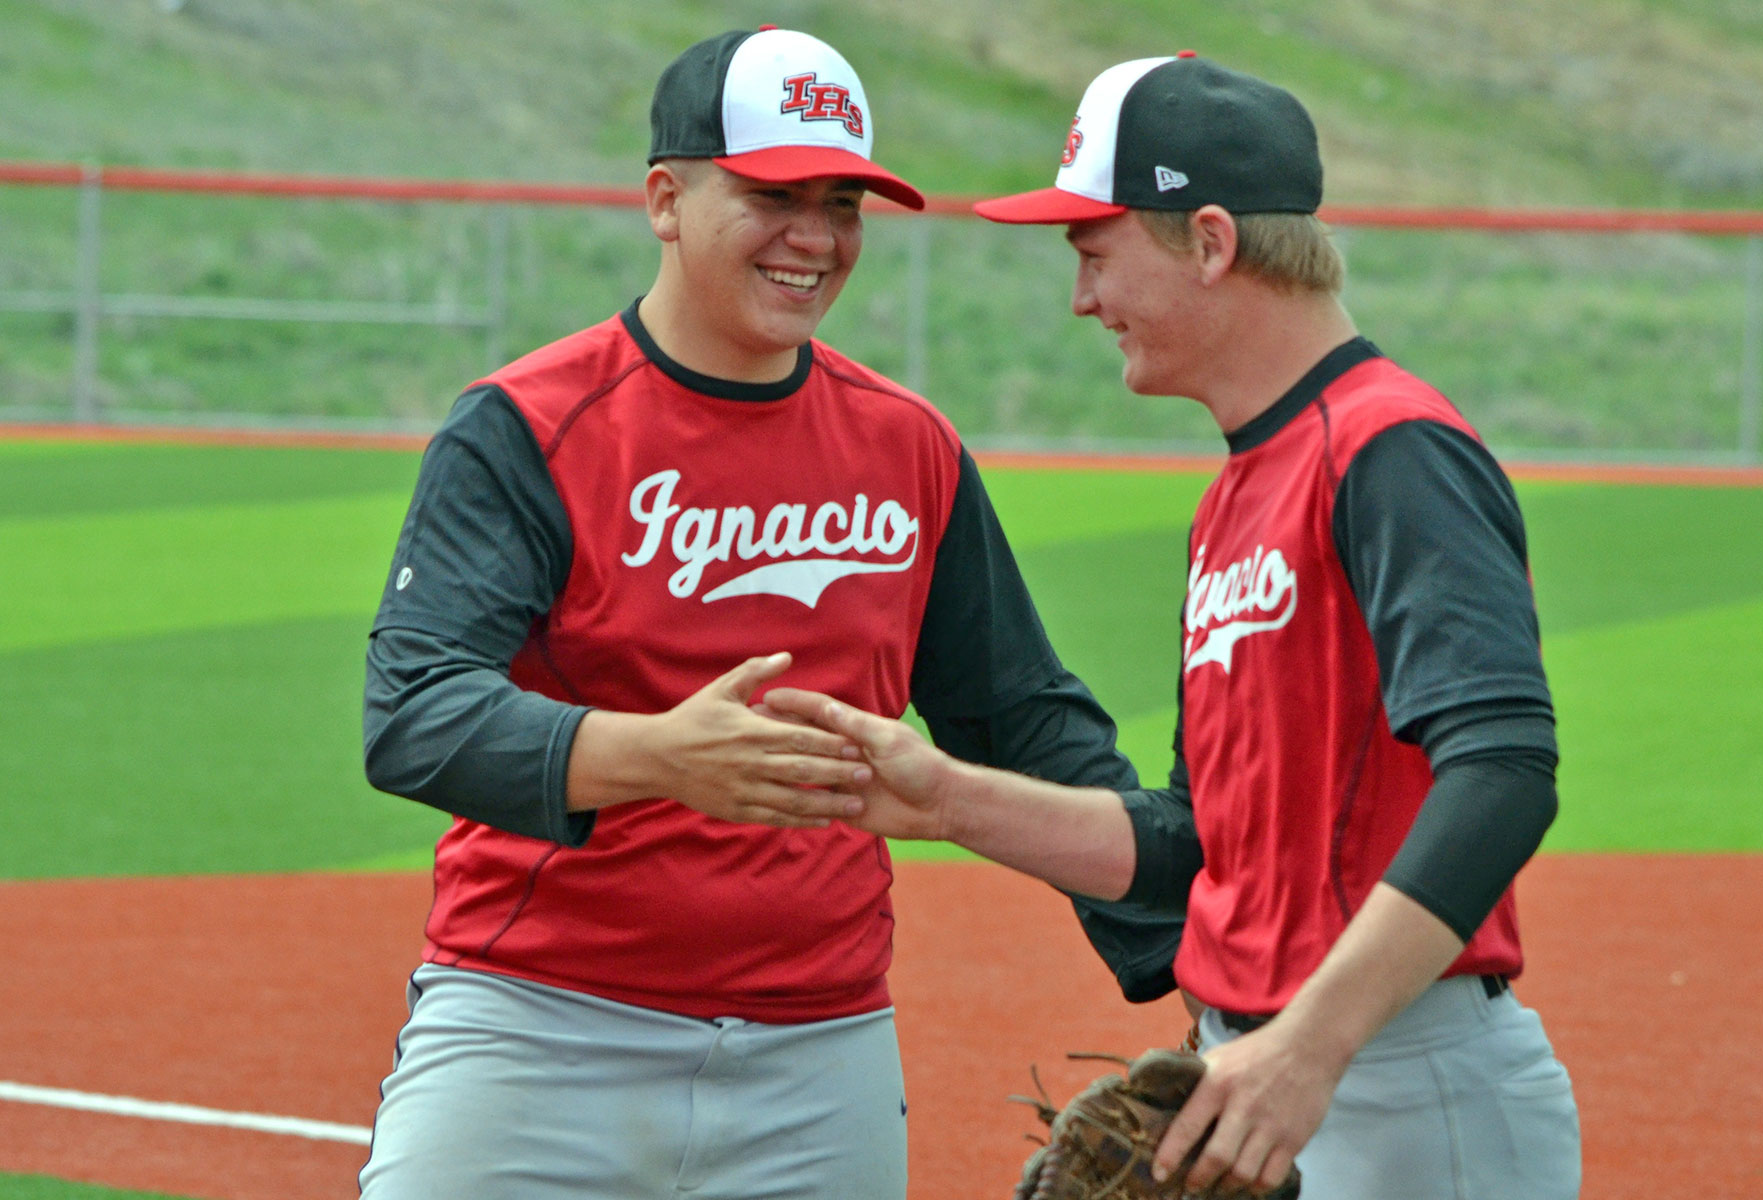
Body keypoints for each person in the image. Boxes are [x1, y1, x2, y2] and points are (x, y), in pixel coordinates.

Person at [356, 26, 1171, 1200]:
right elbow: (415, 715)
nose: (816, 237)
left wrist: (1193, 958)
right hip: (537, 1027)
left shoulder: (908, 446)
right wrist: (659, 756)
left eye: (841, 203)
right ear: (665, 200)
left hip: (820, 1055)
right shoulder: (528, 426)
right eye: (773, 195)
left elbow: (1021, 719)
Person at [765, 52, 1581, 1200]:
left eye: (1096, 256)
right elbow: (1196, 843)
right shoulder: (1237, 497)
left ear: (1208, 242)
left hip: (1392, 1080)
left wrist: (1306, 1050)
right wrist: (941, 799)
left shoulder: (1389, 449)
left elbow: (1503, 770)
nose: (1081, 299)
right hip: (1263, 1076)